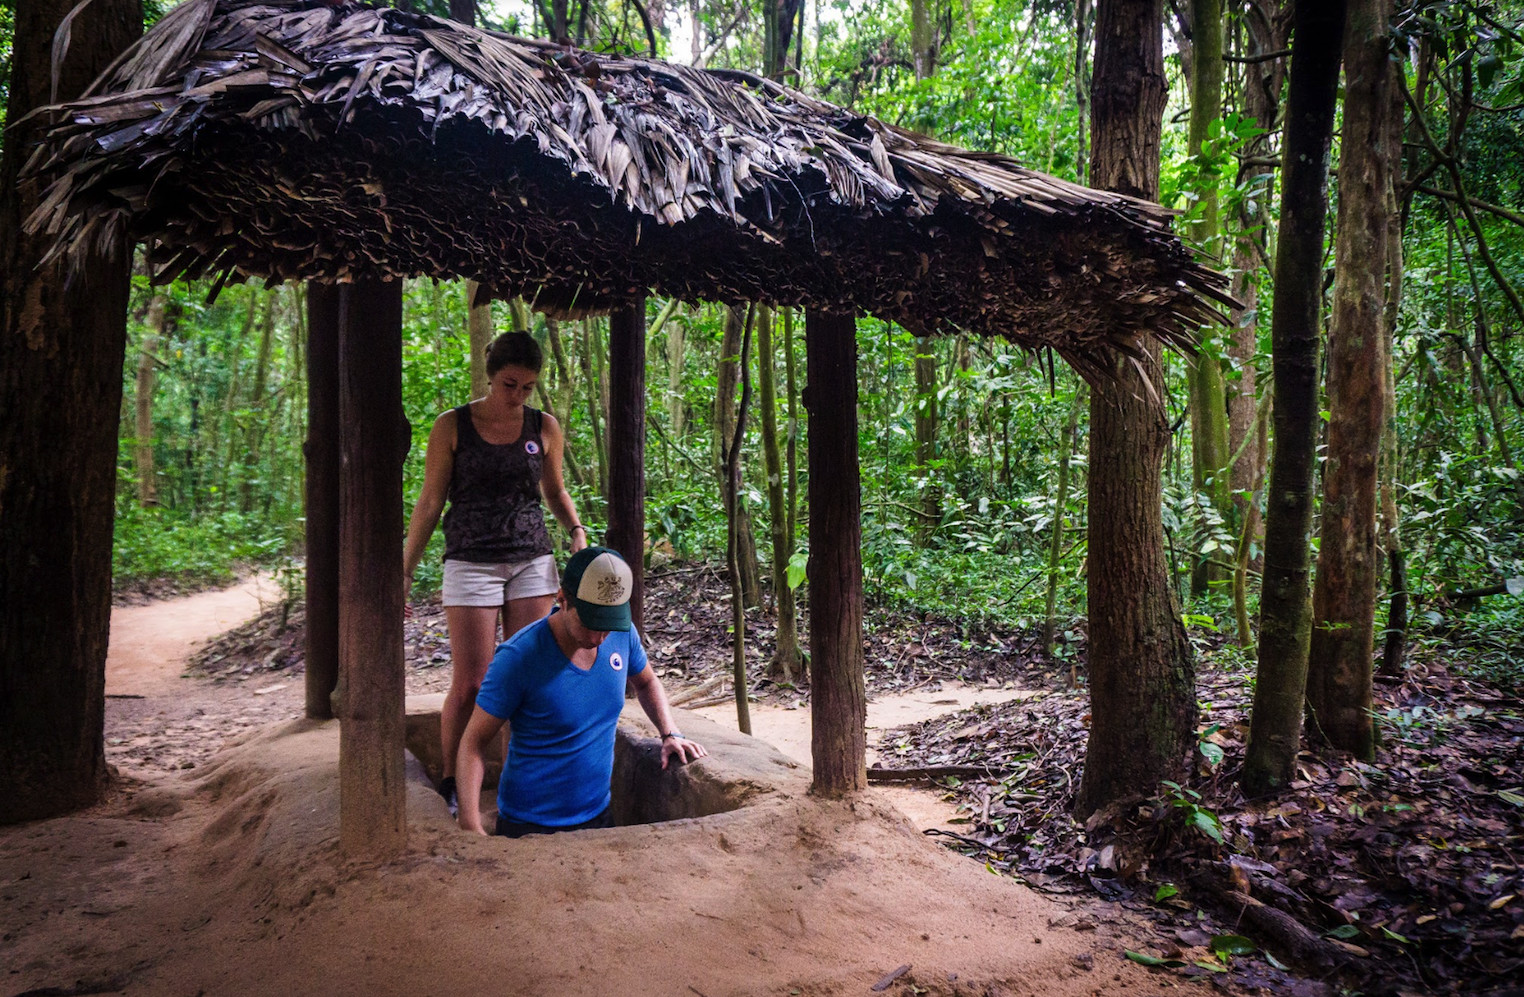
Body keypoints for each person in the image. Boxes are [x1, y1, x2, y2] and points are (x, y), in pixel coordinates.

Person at [403, 331, 588, 817]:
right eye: (510, 384)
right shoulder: (452, 426)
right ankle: (450, 779)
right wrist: (404, 571)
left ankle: (517, 779)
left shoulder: (543, 426)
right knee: (473, 682)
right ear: (491, 375)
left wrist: (576, 529)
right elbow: (429, 502)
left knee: (528, 673)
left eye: (527, 387)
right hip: (470, 560)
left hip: (531, 558)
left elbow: (555, 492)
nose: (518, 396)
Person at [456, 547, 708, 837]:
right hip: (528, 826)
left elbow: (647, 682)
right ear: (563, 599)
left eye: (608, 625)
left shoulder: (622, 634)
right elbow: (473, 743)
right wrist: (470, 823)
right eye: (590, 622)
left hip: (599, 815)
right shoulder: (518, 657)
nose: (599, 637)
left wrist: (669, 732)